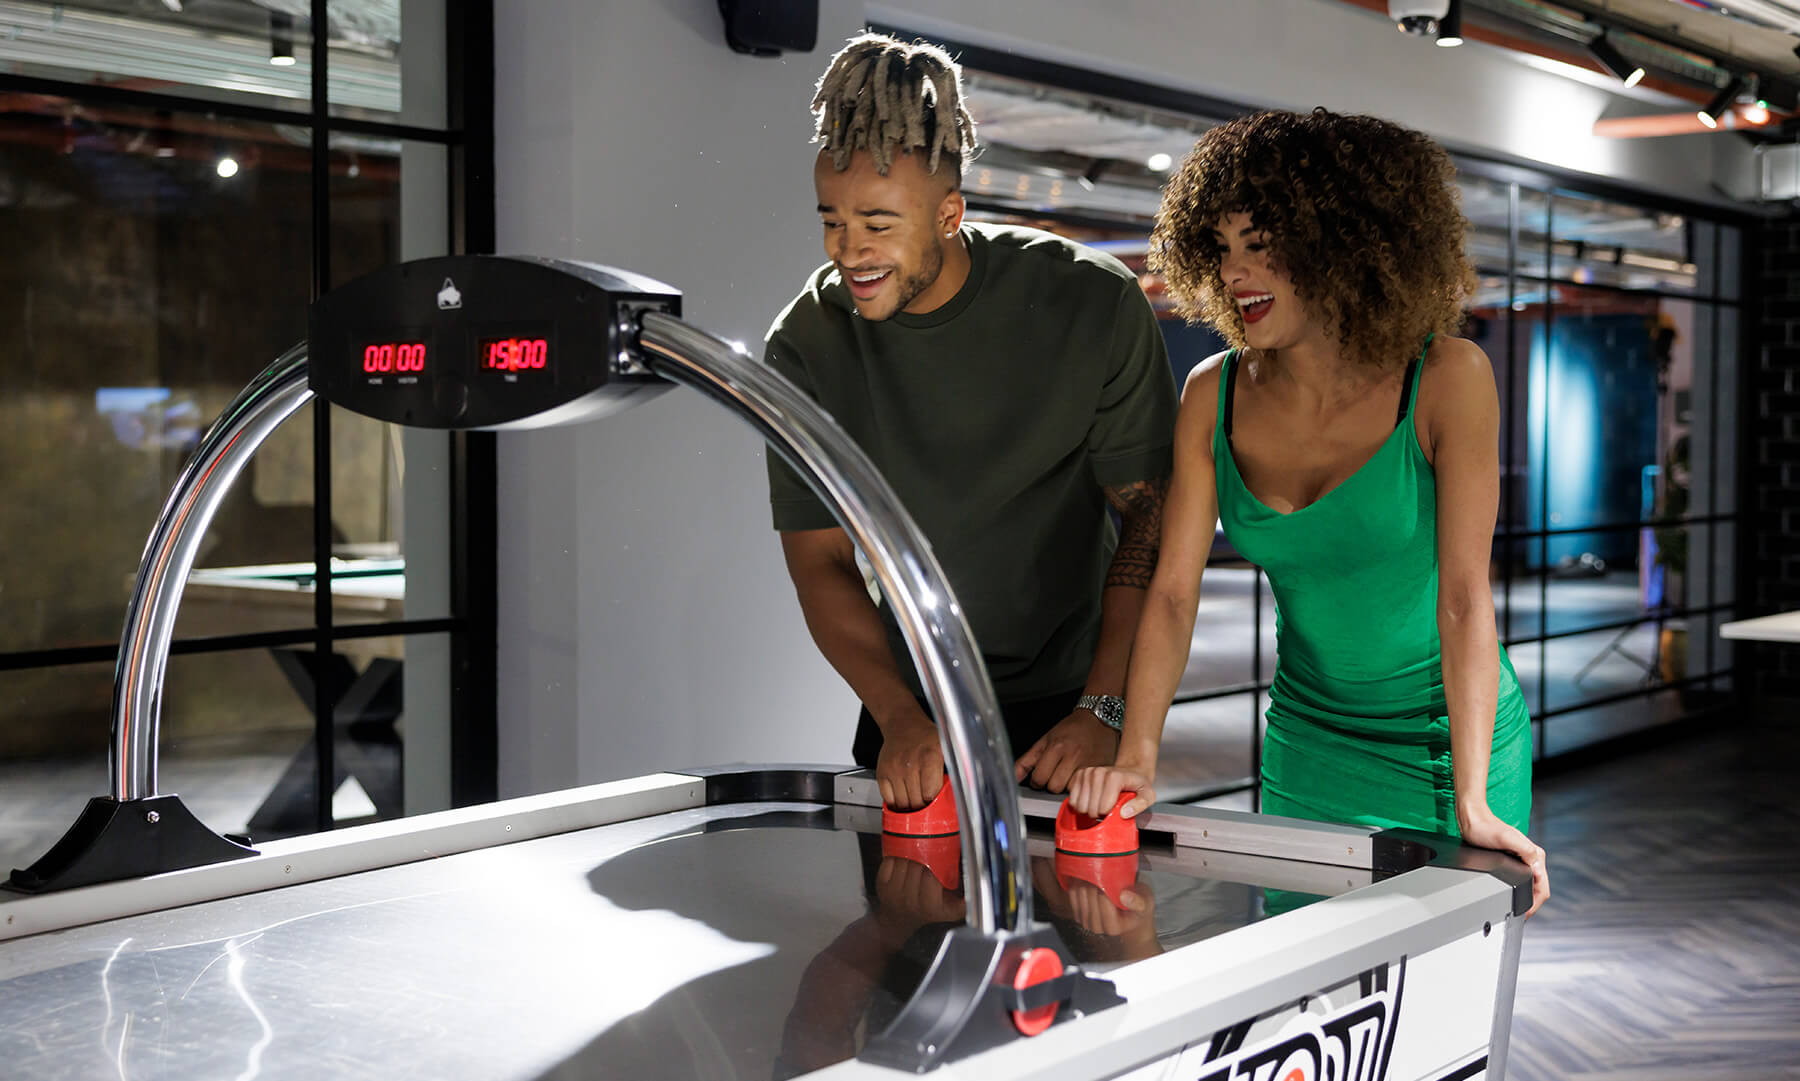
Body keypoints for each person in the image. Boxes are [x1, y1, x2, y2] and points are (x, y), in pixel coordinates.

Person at [1068, 108, 1549, 916]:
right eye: (1221, 249)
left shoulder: (1446, 378)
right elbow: (1175, 591)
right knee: (1315, 1017)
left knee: (1435, 1012)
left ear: (1342, 241)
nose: (1235, 273)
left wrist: (1472, 798)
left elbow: (1466, 599)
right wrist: (1138, 755)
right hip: (1309, 742)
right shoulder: (1210, 395)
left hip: (1447, 746)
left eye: (1262, 244)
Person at [764, 33, 1178, 811]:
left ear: (949, 213)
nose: (850, 251)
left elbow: (1149, 519)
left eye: (878, 223)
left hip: (1076, 710)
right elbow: (819, 561)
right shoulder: (806, 344)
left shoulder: (1090, 302)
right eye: (833, 221)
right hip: (909, 712)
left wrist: (1106, 708)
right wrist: (899, 715)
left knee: (1086, 929)